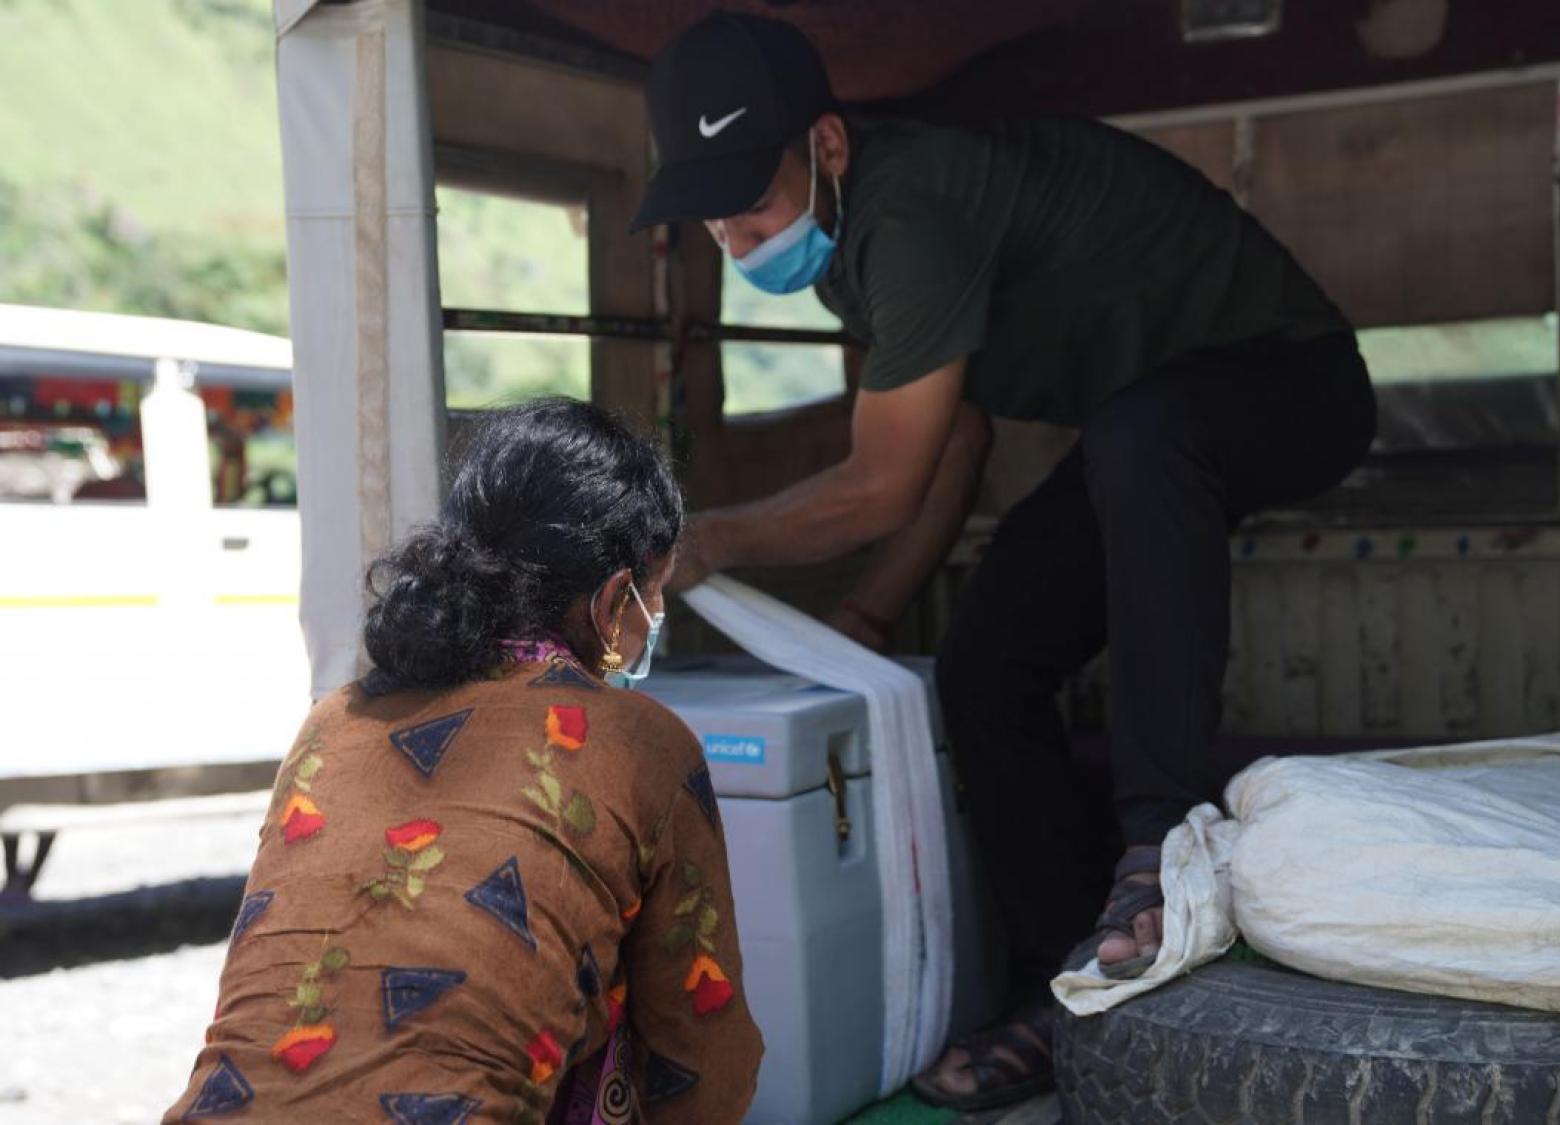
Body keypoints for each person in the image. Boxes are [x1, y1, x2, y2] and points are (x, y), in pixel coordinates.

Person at [631, 12, 1377, 1112]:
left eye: (755, 202)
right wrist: (871, 623)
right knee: (986, 667)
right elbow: (954, 441)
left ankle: (1154, 852)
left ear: (828, 148)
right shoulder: (851, 246)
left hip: (1294, 385)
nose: (737, 241)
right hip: (1146, 438)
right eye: (713, 217)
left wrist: (708, 542)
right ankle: (1062, 982)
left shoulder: (913, 210)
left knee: (1137, 437)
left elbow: (879, 483)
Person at [164, 400, 762, 1124]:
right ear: (611, 602)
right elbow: (700, 1062)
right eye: (654, 593)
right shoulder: (643, 743)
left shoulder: (332, 719)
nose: (654, 618)